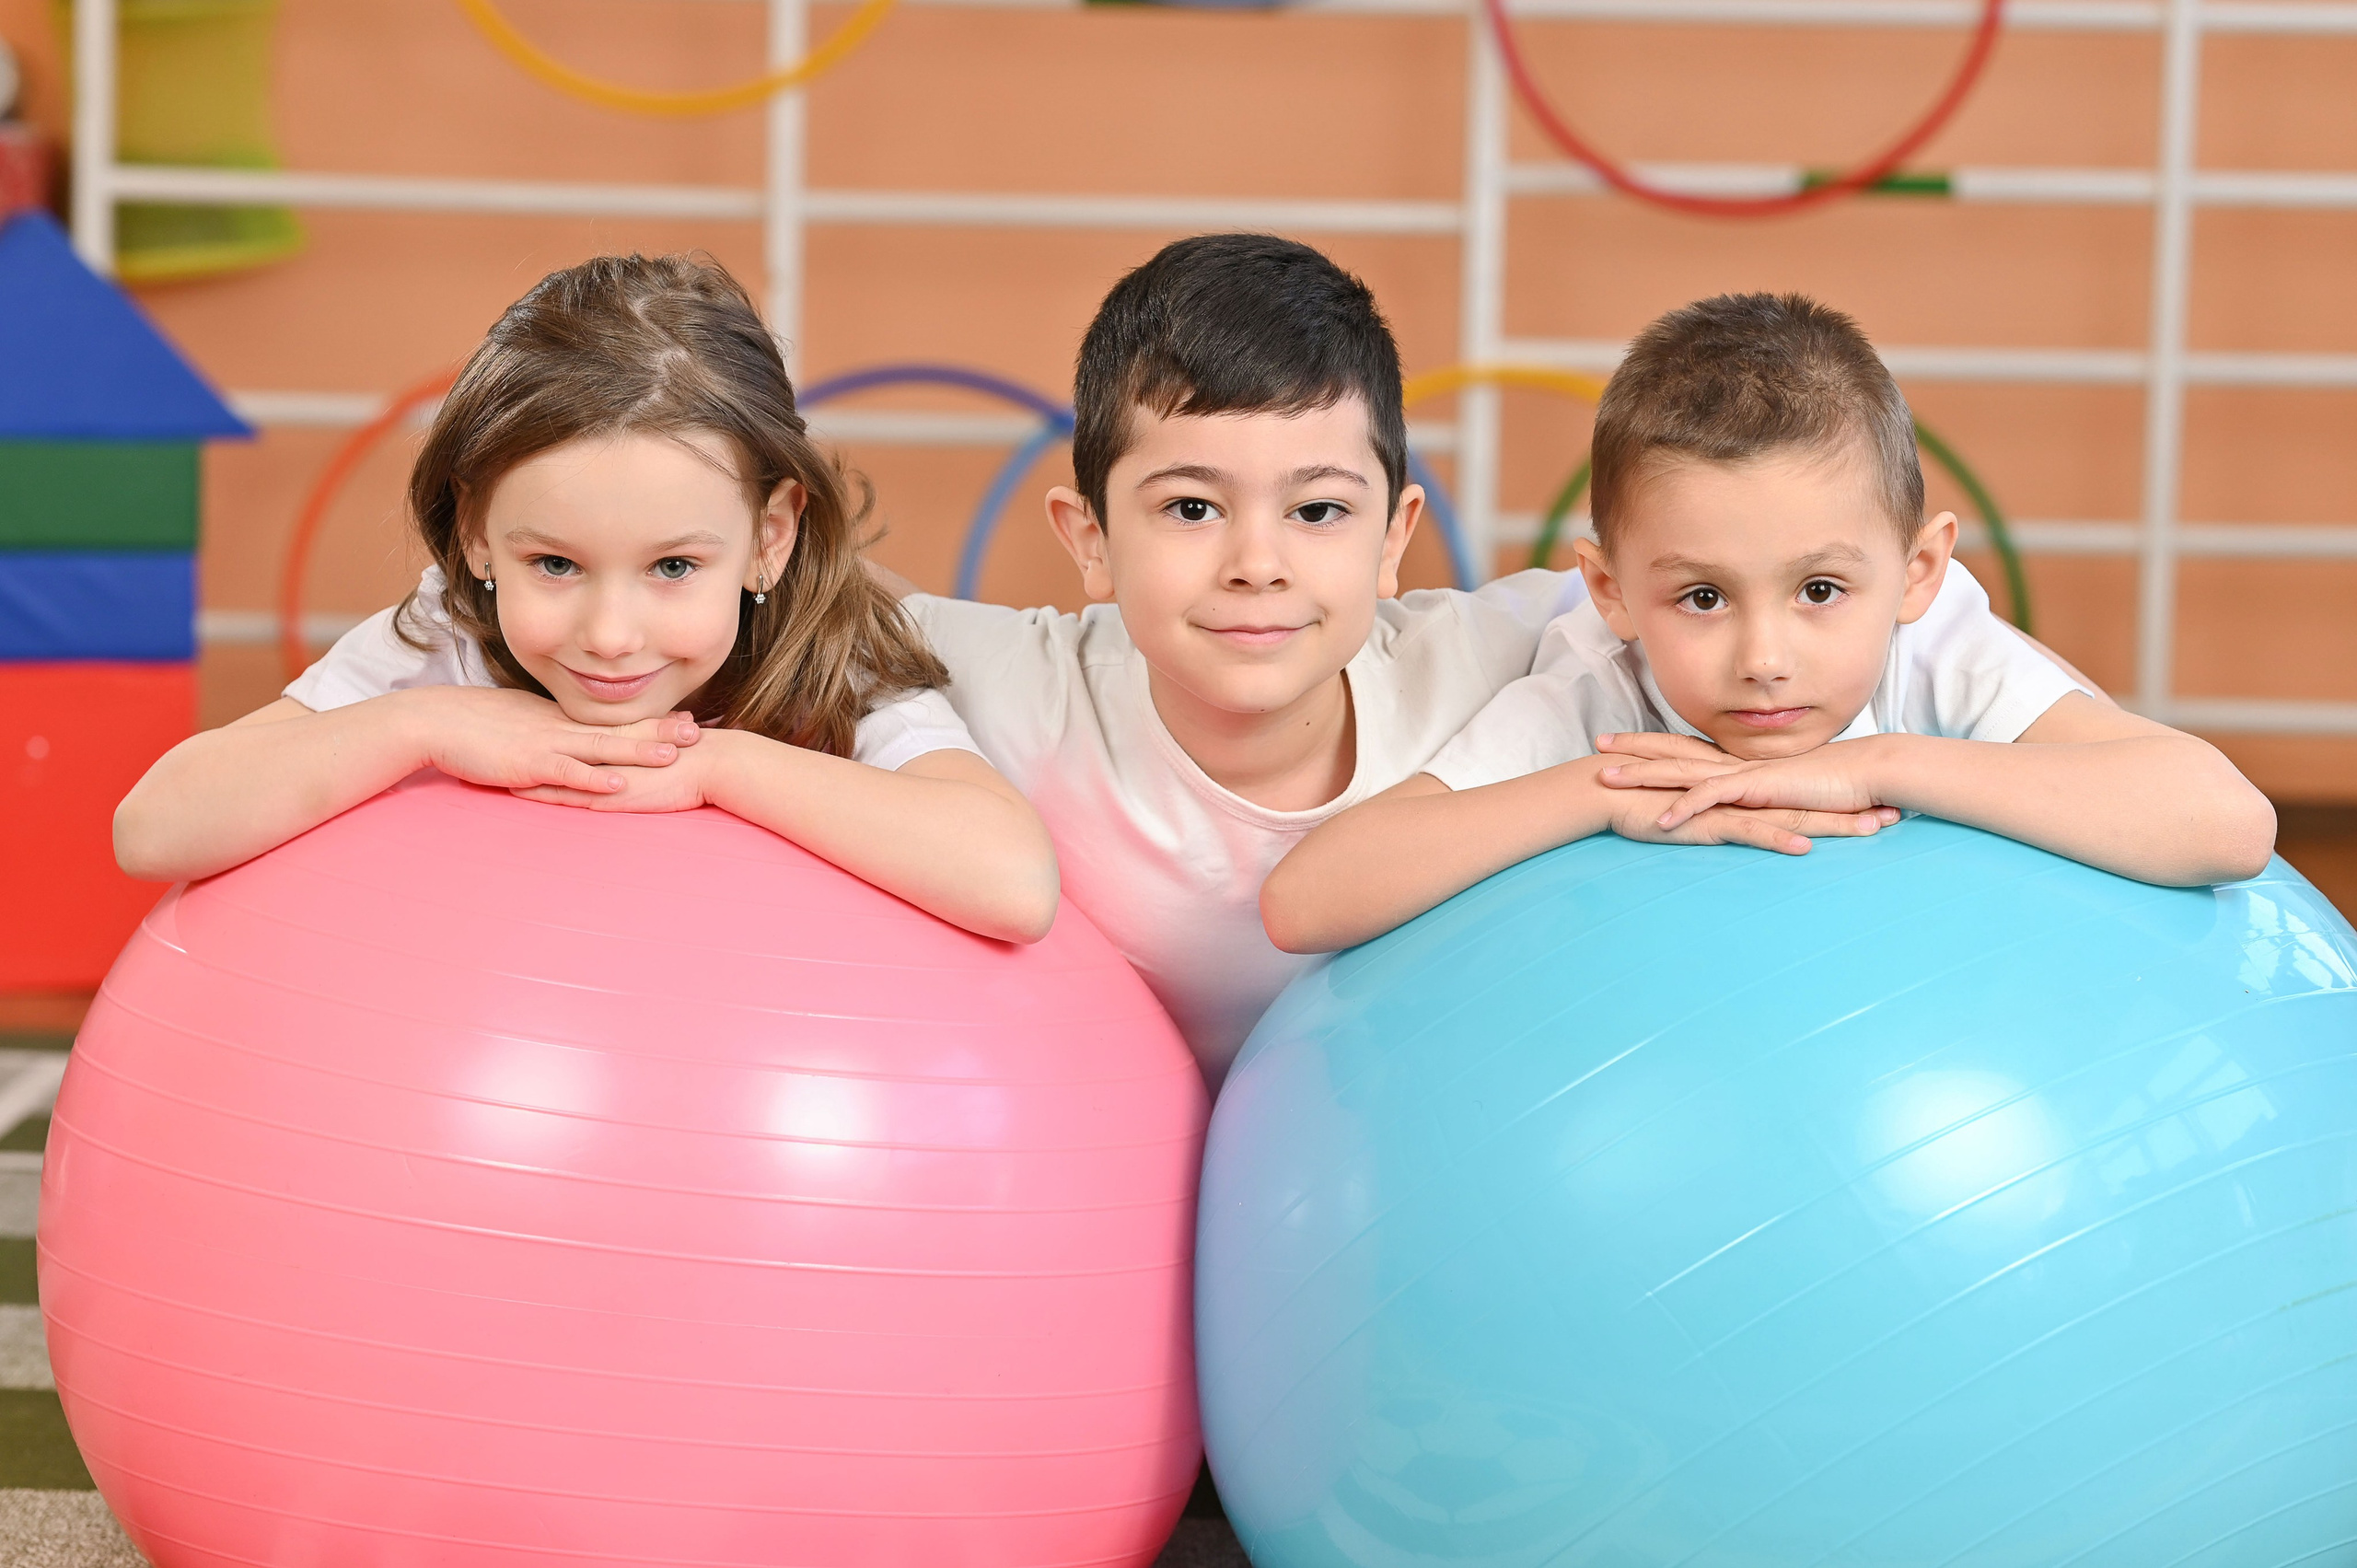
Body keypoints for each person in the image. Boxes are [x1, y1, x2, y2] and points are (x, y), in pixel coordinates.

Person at [1263, 292, 2277, 954]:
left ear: (1918, 570)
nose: (1763, 659)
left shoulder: (1938, 650)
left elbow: (2228, 825)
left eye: (1820, 591)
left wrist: (1880, 766)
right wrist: (1598, 790)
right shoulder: (1600, 684)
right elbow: (1305, 903)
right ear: (1611, 591)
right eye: (1701, 597)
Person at [115, 253, 1058, 945]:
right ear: (478, 532)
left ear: (770, 536)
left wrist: (717, 770)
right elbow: (154, 825)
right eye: (556, 566)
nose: (610, 635)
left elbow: (1011, 881)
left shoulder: (828, 655)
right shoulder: (445, 640)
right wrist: (421, 722)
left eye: (675, 567)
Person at [885, 234, 1589, 1087]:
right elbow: (801, 596)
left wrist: (1805, 769)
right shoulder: (1015, 684)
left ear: (1393, 538)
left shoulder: (1497, 660)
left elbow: (1741, 613)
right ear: (1091, 539)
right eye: (1191, 507)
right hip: (1088, 1189)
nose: (1258, 563)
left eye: (1319, 510)